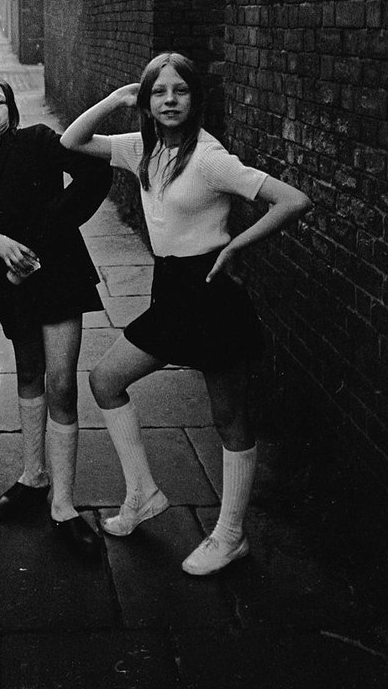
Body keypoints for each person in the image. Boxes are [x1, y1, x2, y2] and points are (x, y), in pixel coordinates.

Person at [60, 52, 311, 575]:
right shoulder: (140, 149)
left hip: (212, 296)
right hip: (170, 294)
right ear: (147, 102)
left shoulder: (210, 158)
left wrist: (235, 245)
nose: (170, 101)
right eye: (159, 92)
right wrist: (114, 100)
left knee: (229, 417)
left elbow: (292, 201)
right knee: (106, 381)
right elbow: (73, 141)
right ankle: (143, 494)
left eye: (180, 91)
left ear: (196, 99)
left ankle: (230, 534)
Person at [0, 75, 112, 560]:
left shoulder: (39, 141)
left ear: (11, 110)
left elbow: (96, 175)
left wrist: (48, 228)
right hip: (12, 283)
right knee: (28, 373)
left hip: (59, 276)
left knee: (62, 384)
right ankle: (33, 476)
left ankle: (64, 505)